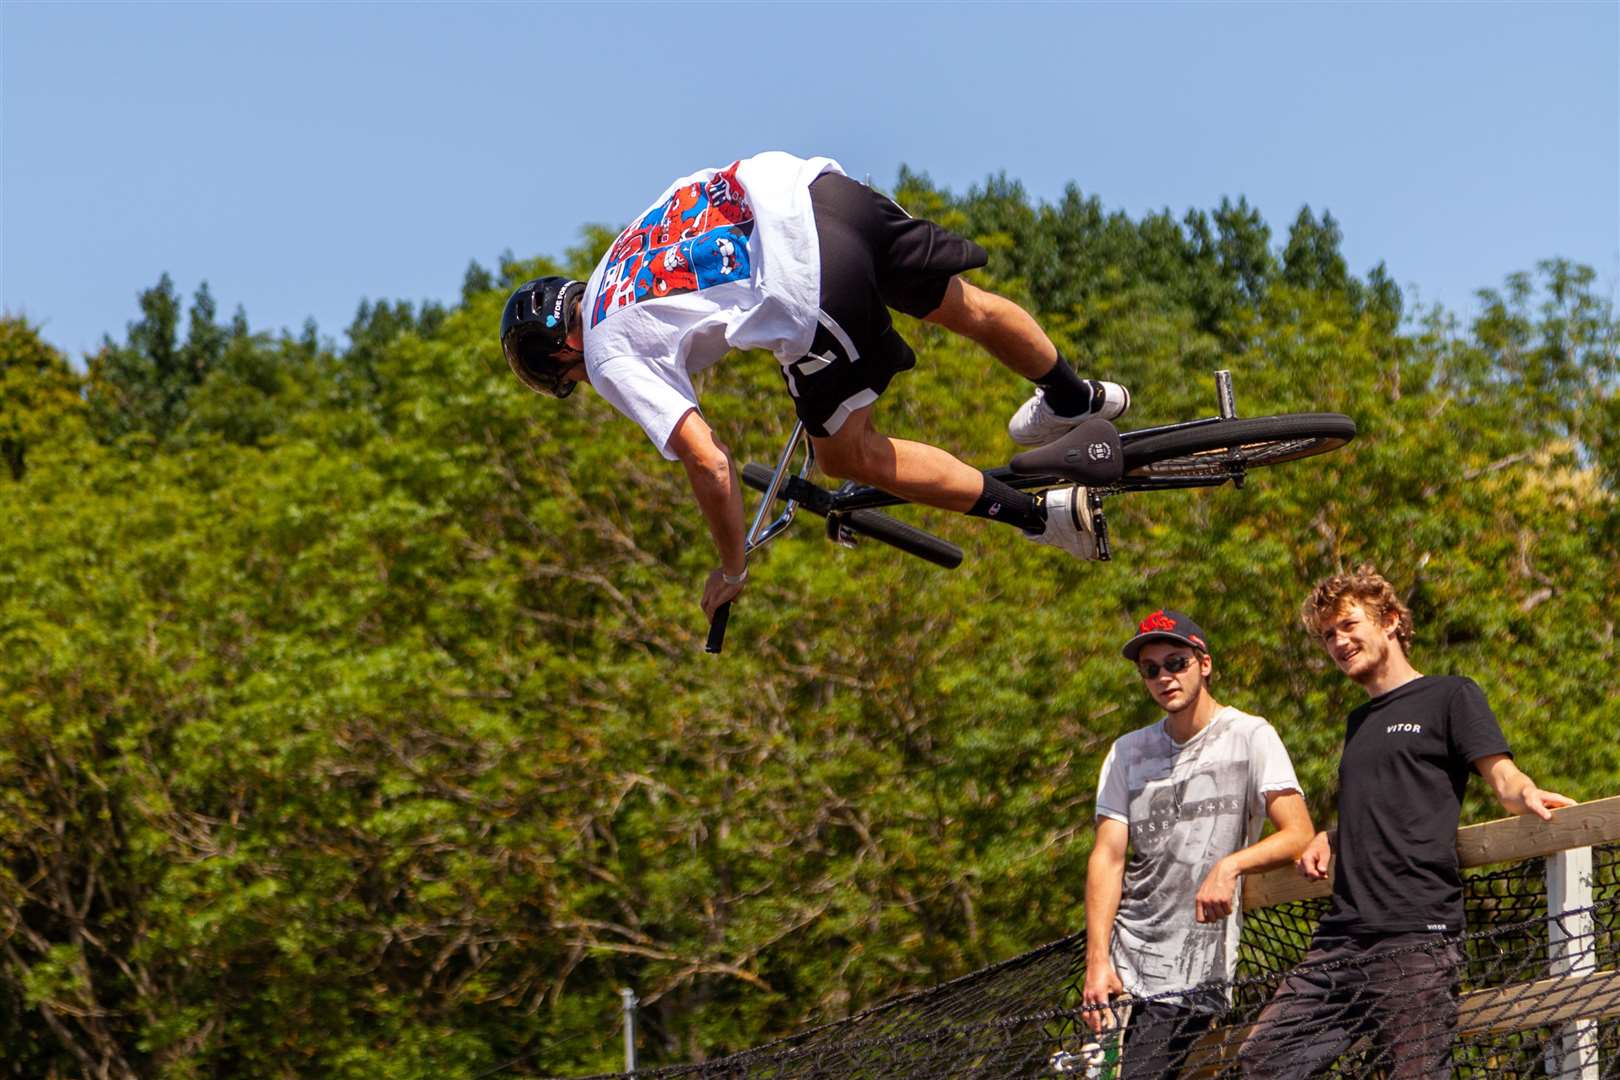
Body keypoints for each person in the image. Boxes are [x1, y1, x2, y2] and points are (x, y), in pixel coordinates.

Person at [498, 152, 1130, 624]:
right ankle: (1073, 396)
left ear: (562, 349)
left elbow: (708, 460)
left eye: (567, 375)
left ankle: (1043, 517)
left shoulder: (605, 351)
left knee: (847, 454)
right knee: (958, 305)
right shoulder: (620, 248)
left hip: (807, 275)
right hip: (822, 192)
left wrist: (731, 566)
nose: (582, 380)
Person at [1238, 566, 1576, 1079]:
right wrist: (1333, 835)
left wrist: (1525, 791)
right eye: (1328, 634)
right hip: (1342, 938)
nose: (1338, 641)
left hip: (1415, 936)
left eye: (1348, 625)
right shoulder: (1360, 721)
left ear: (1391, 620)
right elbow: (1384, 800)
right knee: (1261, 1063)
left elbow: (1500, 775)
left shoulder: (1450, 695)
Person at [1085, 609, 1314, 1078]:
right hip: (1120, 967)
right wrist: (1097, 962)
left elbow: (1299, 834)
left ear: (1203, 664)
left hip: (1192, 969)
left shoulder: (1250, 735)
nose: (1163, 676)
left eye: (1176, 662)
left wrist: (1230, 866)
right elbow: (1107, 858)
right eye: (1150, 669)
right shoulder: (1127, 752)